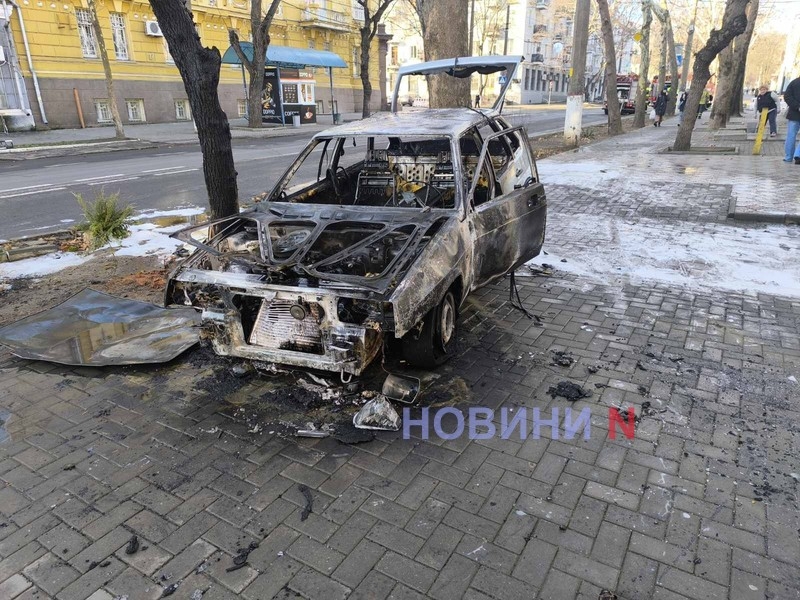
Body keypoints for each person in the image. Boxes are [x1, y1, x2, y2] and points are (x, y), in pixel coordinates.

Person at [783, 75, 800, 164]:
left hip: (794, 113)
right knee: (791, 136)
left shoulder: (794, 83)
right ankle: (798, 155)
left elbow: (787, 96)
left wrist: (797, 106)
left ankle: (788, 157)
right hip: (794, 113)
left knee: (791, 136)